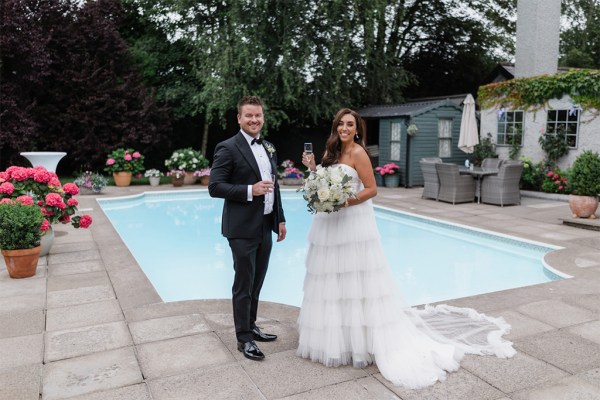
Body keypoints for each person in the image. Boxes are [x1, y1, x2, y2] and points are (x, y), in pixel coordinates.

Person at [297, 108, 515, 389]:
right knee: (331, 276)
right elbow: (324, 183)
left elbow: (372, 189)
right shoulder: (332, 152)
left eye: (350, 124)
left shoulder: (359, 153)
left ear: (357, 129)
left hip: (351, 221)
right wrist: (314, 169)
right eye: (341, 124)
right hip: (330, 224)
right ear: (335, 127)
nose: (345, 128)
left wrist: (345, 201)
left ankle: (362, 340)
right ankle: (336, 336)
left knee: (355, 278)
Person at [209, 95, 286, 361]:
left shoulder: (268, 146)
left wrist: (280, 219)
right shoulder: (227, 147)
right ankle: (244, 339)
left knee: (257, 282)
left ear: (263, 117)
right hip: (241, 228)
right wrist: (249, 190)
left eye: (258, 115)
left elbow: (274, 186)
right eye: (249, 116)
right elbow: (215, 187)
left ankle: (251, 326)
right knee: (243, 284)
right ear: (239, 118)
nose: (254, 120)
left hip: (265, 224)